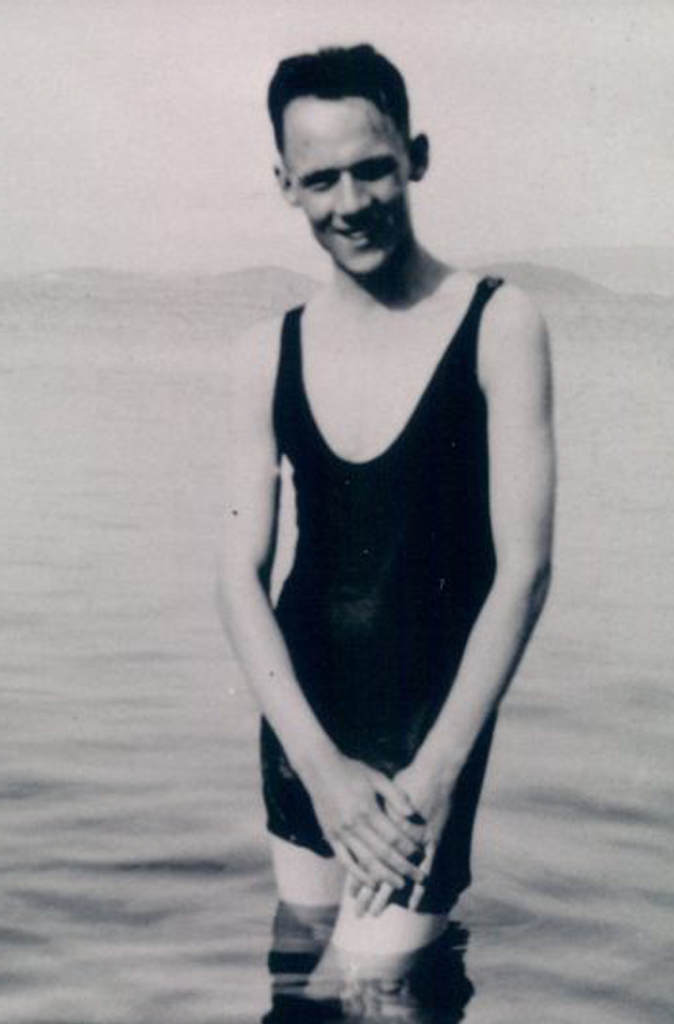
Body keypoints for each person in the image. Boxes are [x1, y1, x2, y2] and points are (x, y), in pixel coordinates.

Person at [218, 44, 555, 963]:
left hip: (430, 732)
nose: (351, 202)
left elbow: (522, 572)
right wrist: (322, 772)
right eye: (320, 179)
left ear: (417, 155)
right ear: (285, 184)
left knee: (376, 988)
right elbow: (238, 578)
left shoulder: (497, 321)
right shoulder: (265, 351)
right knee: (298, 967)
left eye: (372, 168)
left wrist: (440, 770)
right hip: (304, 723)